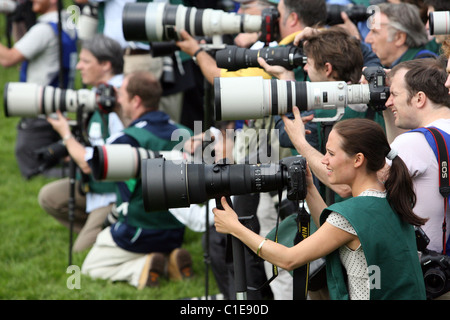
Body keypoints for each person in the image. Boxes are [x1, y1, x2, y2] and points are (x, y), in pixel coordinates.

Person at [214, 117, 427, 300]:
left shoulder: (351, 216)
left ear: (358, 159)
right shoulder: (390, 199)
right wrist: (309, 188)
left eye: (331, 153)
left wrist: (236, 228)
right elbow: (332, 230)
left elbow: (288, 259)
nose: (324, 160)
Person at [81, 70, 193, 289]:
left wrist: (66, 135)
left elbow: (93, 173)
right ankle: (171, 259)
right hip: (177, 230)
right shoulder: (186, 134)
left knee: (89, 267)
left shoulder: (125, 141)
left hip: (138, 231)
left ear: (136, 100)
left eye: (122, 93)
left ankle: (142, 267)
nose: (117, 99)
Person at [38, 34, 125, 252]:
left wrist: (66, 136)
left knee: (80, 255)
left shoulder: (118, 100)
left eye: (86, 61)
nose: (78, 66)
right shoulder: (96, 95)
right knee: (48, 196)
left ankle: (112, 229)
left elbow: (99, 162)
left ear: (106, 65)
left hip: (113, 194)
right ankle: (101, 230)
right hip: (93, 188)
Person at [383, 58, 450, 266]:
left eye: (394, 94)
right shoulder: (420, 141)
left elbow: (358, 188)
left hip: (430, 275)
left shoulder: (414, 143)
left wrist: (300, 141)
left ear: (419, 98)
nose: (388, 102)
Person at [0, 0, 77, 179]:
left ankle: (84, 175)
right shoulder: (67, 24)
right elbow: (26, 51)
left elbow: (8, 59)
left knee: (31, 168)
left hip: (38, 107)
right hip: (59, 104)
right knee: (53, 157)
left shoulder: (43, 30)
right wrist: (17, 19)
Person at [364, 2, 439, 69]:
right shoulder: (390, 66)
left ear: (399, 37)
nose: (367, 40)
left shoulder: (424, 67)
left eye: (375, 32)